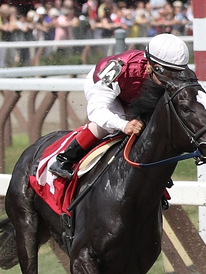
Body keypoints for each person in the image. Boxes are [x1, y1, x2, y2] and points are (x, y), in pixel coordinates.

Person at [46, 32, 193, 182]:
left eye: (176, 73)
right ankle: (65, 159)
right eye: (165, 72)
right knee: (112, 125)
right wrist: (124, 125)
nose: (170, 79)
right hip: (105, 85)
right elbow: (96, 110)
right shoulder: (122, 68)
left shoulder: (171, 73)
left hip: (136, 92)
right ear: (149, 64)